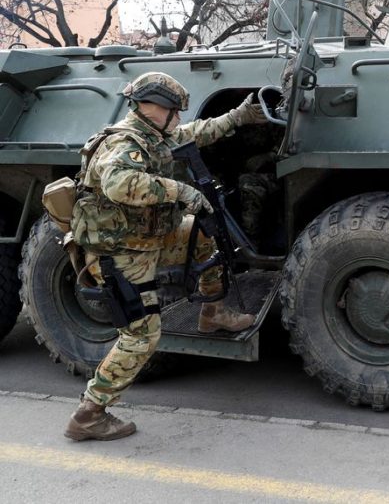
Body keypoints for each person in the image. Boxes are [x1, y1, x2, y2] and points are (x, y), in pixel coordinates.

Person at [64, 72, 268, 441]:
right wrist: (181, 191)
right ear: (152, 107)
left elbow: (196, 133)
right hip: (122, 252)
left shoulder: (154, 135)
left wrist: (238, 117)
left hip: (149, 237)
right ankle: (89, 414)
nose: (179, 118)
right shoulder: (125, 142)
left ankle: (212, 313)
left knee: (204, 233)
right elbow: (118, 183)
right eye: (175, 111)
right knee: (142, 335)